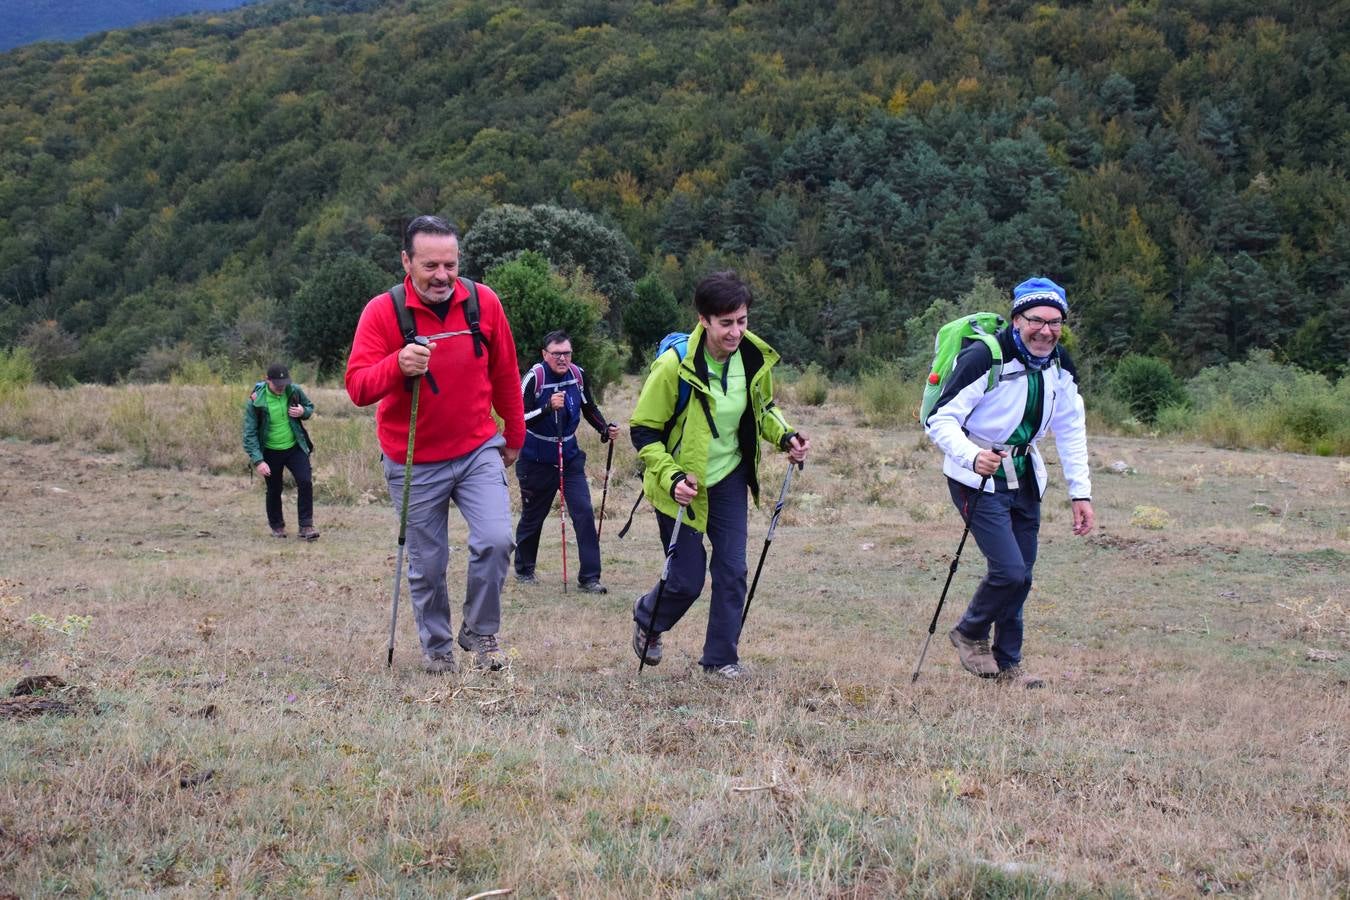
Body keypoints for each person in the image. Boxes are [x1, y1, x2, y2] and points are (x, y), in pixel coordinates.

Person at [345, 215, 525, 673]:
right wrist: (397, 364)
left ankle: (480, 632)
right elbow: (358, 387)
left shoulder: (483, 303)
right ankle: (438, 647)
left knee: (497, 539)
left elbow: (505, 373)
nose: (442, 275)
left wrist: (515, 436)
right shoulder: (382, 312)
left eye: (450, 263)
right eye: (430, 266)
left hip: (477, 448)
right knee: (428, 564)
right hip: (413, 461)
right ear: (407, 261)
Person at [628, 271, 810, 680]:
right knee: (686, 580)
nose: (736, 331)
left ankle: (720, 659)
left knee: (732, 569)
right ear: (704, 320)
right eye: (726, 323)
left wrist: (786, 436)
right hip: (681, 484)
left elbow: (762, 410)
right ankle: (647, 617)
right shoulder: (674, 365)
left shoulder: (752, 358)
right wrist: (672, 477)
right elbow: (643, 430)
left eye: (742, 320)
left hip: (728, 476)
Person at [923, 276, 1095, 689]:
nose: (1046, 330)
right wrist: (971, 454)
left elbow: (1071, 428)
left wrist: (1081, 492)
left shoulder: (1059, 363)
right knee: (1010, 571)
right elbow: (939, 419)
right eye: (1037, 319)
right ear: (1017, 319)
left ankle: (1008, 666)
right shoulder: (986, 356)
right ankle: (969, 631)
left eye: (1055, 322)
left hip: (1025, 478)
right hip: (975, 477)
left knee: (1023, 576)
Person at [513, 330, 620, 593]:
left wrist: (605, 429)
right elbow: (518, 419)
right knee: (533, 516)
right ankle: (524, 569)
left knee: (583, 511)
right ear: (544, 354)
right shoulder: (534, 377)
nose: (563, 359)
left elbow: (588, 407)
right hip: (536, 458)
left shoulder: (577, 375)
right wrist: (547, 408)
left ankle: (590, 578)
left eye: (567, 353)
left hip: (569, 456)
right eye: (557, 354)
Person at [242, 363, 318, 541]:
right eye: (277, 384)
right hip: (270, 451)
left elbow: (309, 408)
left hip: (295, 447)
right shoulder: (256, 401)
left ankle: (306, 526)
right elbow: (249, 434)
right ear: (267, 380)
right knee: (274, 489)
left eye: (284, 383)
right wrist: (259, 461)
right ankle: (277, 526)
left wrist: (302, 411)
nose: (281, 388)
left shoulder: (294, 390)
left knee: (305, 481)